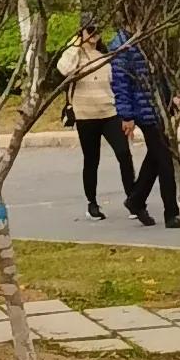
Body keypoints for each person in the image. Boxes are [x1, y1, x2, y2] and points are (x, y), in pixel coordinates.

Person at [55, 15, 135, 216]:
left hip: (109, 113)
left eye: (96, 30)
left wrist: (126, 114)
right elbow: (64, 69)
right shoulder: (75, 56)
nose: (93, 34)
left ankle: (134, 198)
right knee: (92, 159)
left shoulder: (105, 56)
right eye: (89, 30)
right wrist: (76, 44)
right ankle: (92, 202)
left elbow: (117, 84)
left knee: (124, 154)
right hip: (85, 115)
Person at [111, 25, 180, 227]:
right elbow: (120, 84)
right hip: (141, 109)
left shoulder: (150, 40)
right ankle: (171, 213)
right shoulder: (122, 46)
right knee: (165, 159)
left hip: (158, 106)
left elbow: (161, 73)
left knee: (156, 156)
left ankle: (136, 199)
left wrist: (171, 96)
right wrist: (126, 115)